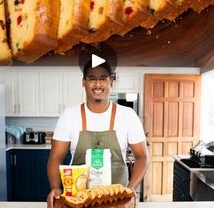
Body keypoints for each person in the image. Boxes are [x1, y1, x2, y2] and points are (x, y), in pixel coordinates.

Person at [47, 60, 149, 208]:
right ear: (83, 82)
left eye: (103, 78)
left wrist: (131, 187)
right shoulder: (69, 116)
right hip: (78, 200)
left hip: (118, 200)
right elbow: (55, 158)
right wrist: (55, 187)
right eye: (92, 79)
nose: (98, 84)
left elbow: (142, 157)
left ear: (111, 82)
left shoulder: (128, 115)